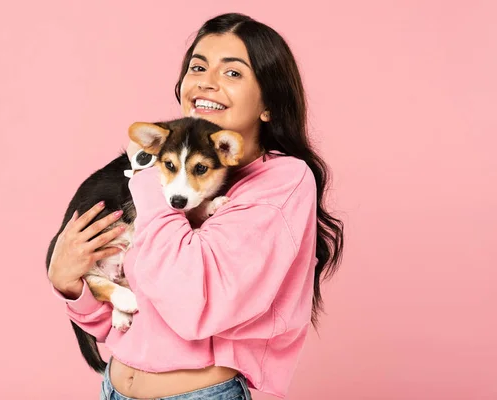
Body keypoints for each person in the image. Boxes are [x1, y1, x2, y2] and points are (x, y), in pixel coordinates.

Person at [48, 12, 344, 400]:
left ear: (268, 104)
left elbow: (189, 305)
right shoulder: (174, 176)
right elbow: (128, 320)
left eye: (233, 72)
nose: (206, 80)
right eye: (197, 66)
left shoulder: (281, 182)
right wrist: (69, 284)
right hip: (114, 388)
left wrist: (149, 175)